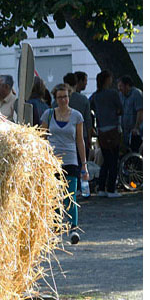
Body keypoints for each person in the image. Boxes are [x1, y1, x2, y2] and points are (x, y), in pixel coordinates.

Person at [40, 83, 89, 245]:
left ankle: (73, 229)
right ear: (55, 99)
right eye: (60, 97)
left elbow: (80, 141)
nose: (63, 100)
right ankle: (54, 229)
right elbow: (42, 138)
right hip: (52, 161)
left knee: (70, 196)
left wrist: (84, 164)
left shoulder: (76, 116)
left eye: (66, 96)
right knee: (54, 197)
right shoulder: (48, 115)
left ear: (69, 97)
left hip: (71, 160)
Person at [90, 70, 123, 198]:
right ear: (107, 80)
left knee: (106, 160)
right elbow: (120, 109)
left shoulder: (95, 96)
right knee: (114, 160)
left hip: (101, 131)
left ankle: (101, 187)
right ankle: (111, 189)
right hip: (113, 129)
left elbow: (90, 107)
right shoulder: (113, 94)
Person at [117, 75, 143, 153]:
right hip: (124, 131)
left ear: (127, 85)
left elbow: (140, 111)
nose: (119, 89)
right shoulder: (121, 95)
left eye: (121, 86)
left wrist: (136, 127)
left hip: (135, 132)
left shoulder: (136, 94)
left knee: (135, 151)